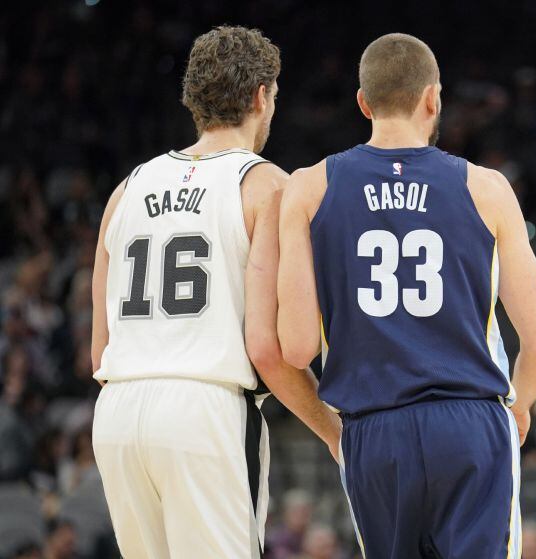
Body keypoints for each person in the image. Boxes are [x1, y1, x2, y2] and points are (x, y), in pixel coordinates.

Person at [277, 33, 536, 558]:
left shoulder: (308, 187)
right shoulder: (487, 188)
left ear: (363, 103)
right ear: (434, 98)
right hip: (470, 422)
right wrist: (519, 407)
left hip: (372, 432)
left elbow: (294, 348)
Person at [90, 26, 340, 558]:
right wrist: (334, 430)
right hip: (204, 410)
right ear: (260, 96)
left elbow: (97, 347)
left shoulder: (125, 190)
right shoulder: (265, 185)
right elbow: (268, 351)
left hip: (117, 409)